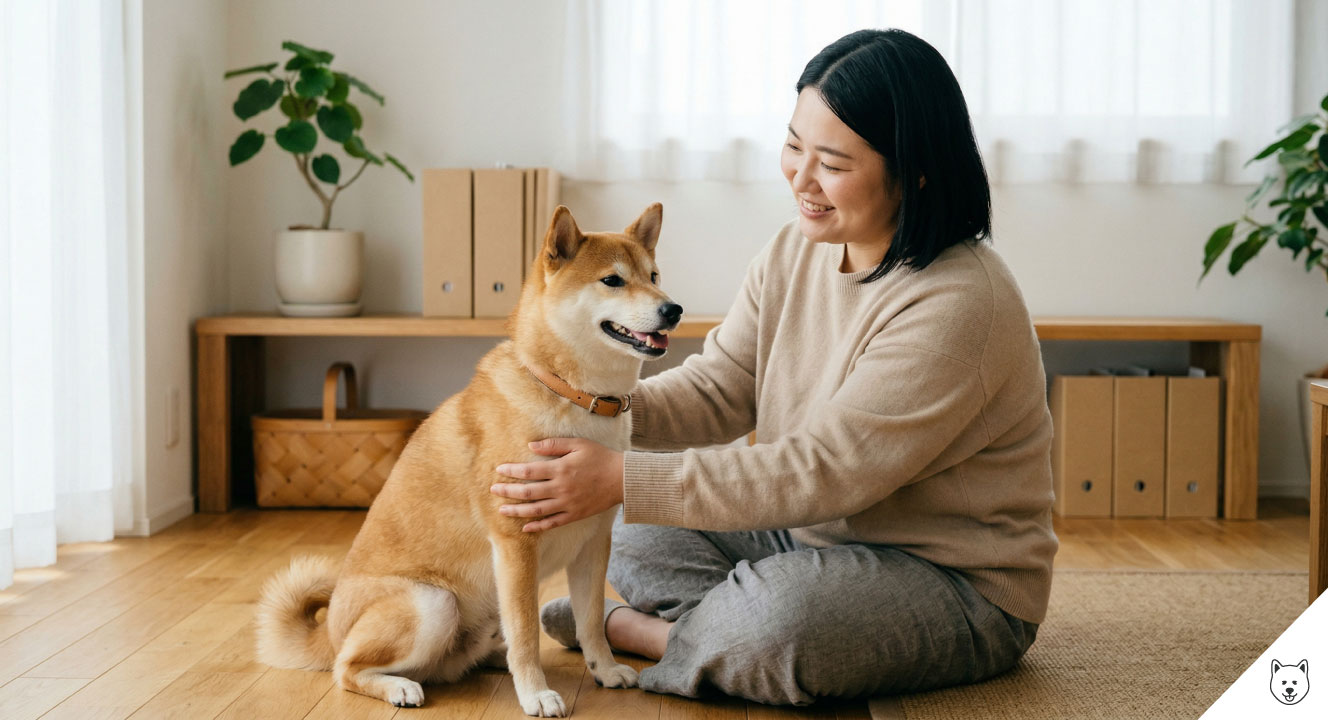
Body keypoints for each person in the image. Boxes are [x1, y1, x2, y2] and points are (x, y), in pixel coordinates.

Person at [490, 28, 1058, 705]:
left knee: (777, 621)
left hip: (952, 580)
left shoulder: (961, 304)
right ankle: (724, 629)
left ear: (916, 170)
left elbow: (825, 470)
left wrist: (618, 473)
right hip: (806, 535)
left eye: (834, 163)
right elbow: (723, 386)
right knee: (636, 524)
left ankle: (652, 636)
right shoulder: (798, 247)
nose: (801, 178)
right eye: (794, 146)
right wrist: (584, 409)